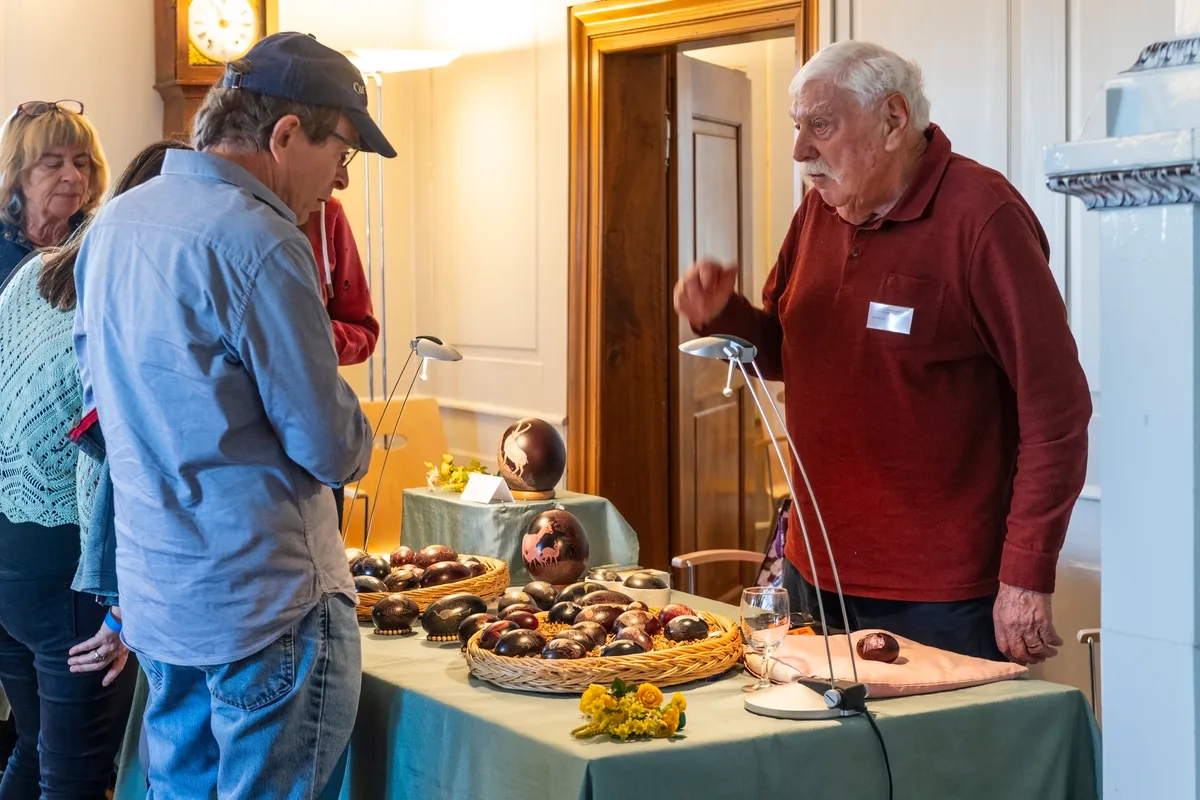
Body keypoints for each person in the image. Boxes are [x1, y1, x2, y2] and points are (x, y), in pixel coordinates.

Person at [673, 40, 1092, 666]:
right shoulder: (819, 209)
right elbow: (792, 355)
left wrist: (1026, 575)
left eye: (821, 125)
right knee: (815, 762)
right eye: (797, 128)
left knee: (936, 766)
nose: (800, 151)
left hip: (943, 595)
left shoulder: (984, 216)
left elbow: (1055, 411)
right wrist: (722, 315)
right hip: (812, 570)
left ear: (894, 120)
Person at [72, 32, 387, 797]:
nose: (340, 178)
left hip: (162, 596)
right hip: (265, 605)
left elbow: (99, 404)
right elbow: (328, 444)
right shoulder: (264, 239)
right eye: (341, 151)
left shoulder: (115, 223)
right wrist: (358, 432)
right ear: (284, 135)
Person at [0, 141, 178, 798]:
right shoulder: (132, 297)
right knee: (75, 776)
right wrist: (119, 608)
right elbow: (98, 464)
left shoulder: (39, 273)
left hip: (7, 554)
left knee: (32, 745)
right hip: (65, 572)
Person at [303, 193, 379, 528]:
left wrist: (310, 334)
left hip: (316, 431)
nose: (342, 179)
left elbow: (365, 331)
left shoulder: (326, 211)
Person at [0, 100, 108, 285]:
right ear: (15, 171)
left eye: (81, 163)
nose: (74, 176)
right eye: (53, 164)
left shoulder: (102, 239)